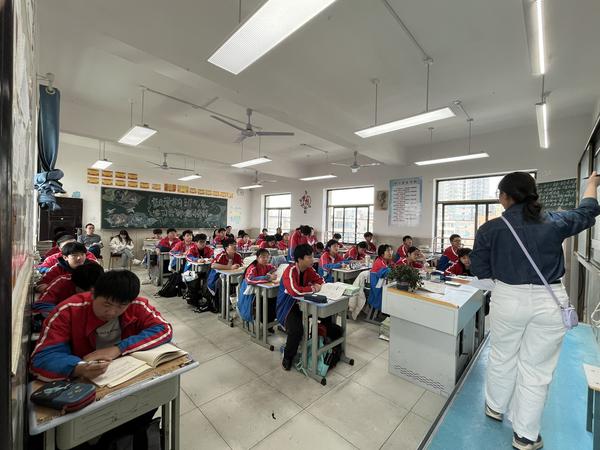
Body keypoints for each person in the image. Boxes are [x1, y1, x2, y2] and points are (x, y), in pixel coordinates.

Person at [470, 171, 600, 449]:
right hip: (550, 299)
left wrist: (501, 283)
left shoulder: (490, 229)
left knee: (502, 355)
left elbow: (479, 270)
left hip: (507, 296)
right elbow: (588, 212)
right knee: (537, 369)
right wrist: (592, 183)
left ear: (504, 197)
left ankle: (495, 406)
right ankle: (525, 435)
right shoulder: (555, 221)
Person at [30, 270, 172, 382]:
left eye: (121, 306)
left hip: (125, 373)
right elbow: (42, 358)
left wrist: (118, 349)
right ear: (93, 294)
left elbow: (164, 329)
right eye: (107, 304)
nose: (112, 312)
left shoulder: (136, 305)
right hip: (85, 379)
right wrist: (78, 368)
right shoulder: (68, 310)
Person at [277, 244, 324, 370]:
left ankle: (321, 346)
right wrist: (313, 288)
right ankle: (288, 356)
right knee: (297, 330)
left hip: (304, 304)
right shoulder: (290, 271)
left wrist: (317, 286)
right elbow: (294, 291)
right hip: (287, 308)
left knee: (325, 317)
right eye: (309, 257)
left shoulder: (309, 269)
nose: (313, 259)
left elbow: (321, 281)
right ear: (299, 259)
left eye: (312, 256)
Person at [34, 262, 105, 314]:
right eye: (84, 291)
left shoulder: (105, 286)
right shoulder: (62, 282)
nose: (87, 296)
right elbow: (42, 304)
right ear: (75, 285)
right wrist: (67, 314)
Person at [237, 248, 277, 324]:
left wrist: (270, 273)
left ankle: (269, 321)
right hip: (250, 294)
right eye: (263, 257)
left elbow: (274, 268)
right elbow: (249, 280)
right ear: (257, 258)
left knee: (273, 299)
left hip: (260, 291)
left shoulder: (266, 266)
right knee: (266, 301)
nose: (266, 259)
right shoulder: (253, 267)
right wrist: (267, 277)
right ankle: (265, 321)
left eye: (267, 257)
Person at [205, 239, 244, 305]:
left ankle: (236, 304)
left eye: (235, 244)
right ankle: (222, 305)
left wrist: (238, 266)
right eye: (232, 245)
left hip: (232, 277)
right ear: (226, 248)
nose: (235, 246)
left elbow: (241, 265)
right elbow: (213, 265)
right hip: (217, 278)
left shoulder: (238, 255)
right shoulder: (222, 255)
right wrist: (229, 267)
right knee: (221, 282)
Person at [368, 244, 395, 311]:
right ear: (382, 254)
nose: (390, 252)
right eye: (388, 251)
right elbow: (390, 273)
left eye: (391, 250)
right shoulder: (380, 262)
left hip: (382, 283)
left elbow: (394, 267)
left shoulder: (388, 261)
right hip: (378, 287)